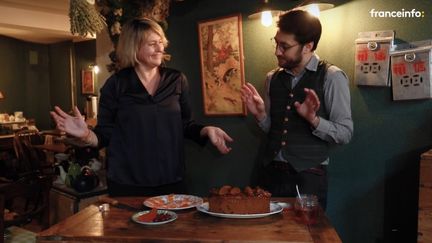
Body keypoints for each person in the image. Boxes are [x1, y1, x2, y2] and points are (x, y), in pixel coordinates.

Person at [51, 18, 233, 196]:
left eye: (161, 42)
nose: (160, 48)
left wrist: (206, 130)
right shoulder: (115, 85)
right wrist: (86, 135)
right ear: (134, 47)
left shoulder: (177, 80)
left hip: (171, 181)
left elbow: (186, 125)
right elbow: (104, 135)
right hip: (128, 184)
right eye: (152, 43)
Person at [241, 9, 353, 209]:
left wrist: (314, 120)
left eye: (284, 46)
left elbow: (345, 133)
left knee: (307, 237)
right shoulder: (271, 78)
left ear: (307, 46)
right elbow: (273, 129)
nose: (277, 51)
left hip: (309, 176)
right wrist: (260, 115)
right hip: (270, 173)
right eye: (276, 43)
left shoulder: (332, 77)